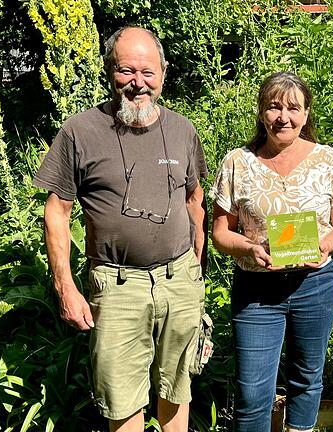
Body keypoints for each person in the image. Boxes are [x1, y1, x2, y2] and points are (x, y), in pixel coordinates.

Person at [33, 26, 208, 432]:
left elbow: (194, 199)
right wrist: (65, 287)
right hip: (117, 287)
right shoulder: (81, 132)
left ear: (163, 74)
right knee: (121, 399)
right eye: (126, 71)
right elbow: (56, 212)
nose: (138, 83)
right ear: (109, 72)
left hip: (178, 281)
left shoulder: (182, 129)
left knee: (177, 388)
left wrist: (195, 270)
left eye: (148, 72)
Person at [210, 72, 333, 432]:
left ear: (306, 115)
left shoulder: (326, 160)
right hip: (257, 291)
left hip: (315, 285)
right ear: (262, 112)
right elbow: (219, 232)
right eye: (274, 107)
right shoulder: (237, 162)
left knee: (307, 379)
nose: (283, 117)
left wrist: (325, 243)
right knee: (252, 391)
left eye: (293, 108)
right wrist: (248, 247)